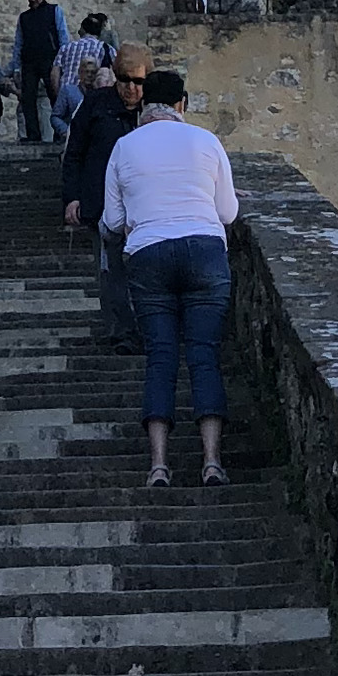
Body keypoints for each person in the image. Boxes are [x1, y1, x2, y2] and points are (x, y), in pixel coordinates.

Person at [102, 65, 239, 489]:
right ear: (183, 104)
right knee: (204, 355)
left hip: (148, 254)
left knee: (160, 358)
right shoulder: (206, 141)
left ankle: (159, 465)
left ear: (144, 105)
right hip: (204, 249)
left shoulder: (124, 147)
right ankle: (212, 460)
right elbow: (228, 212)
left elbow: (112, 219)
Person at [60, 41, 149, 345]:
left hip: (145, 206)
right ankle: (120, 330)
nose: (131, 88)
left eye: (138, 81)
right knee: (110, 271)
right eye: (125, 80)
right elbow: (74, 152)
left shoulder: (152, 113)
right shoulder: (96, 104)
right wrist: (72, 197)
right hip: (103, 204)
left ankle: (143, 328)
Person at [12, 0, 65, 150]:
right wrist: (16, 67)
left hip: (51, 60)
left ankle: (59, 133)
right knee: (28, 98)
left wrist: (63, 61)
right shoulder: (24, 18)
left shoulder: (54, 11)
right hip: (29, 62)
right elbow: (18, 43)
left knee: (55, 96)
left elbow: (63, 35)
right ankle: (33, 134)